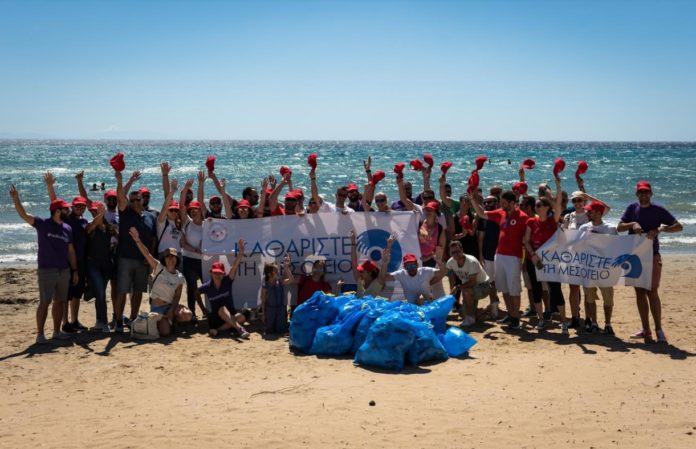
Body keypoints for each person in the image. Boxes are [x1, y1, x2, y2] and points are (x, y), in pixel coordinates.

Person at [9, 186, 78, 344]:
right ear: (57, 211)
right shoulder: (42, 223)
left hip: (64, 270)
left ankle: (56, 332)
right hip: (47, 270)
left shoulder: (67, 228)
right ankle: (40, 334)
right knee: (44, 302)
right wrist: (15, 198)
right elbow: (24, 215)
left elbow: (71, 251)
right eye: (65, 209)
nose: (68, 211)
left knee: (59, 301)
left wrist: (74, 270)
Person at [617, 181, 682, 343]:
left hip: (652, 255)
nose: (643, 195)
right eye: (641, 192)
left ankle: (659, 329)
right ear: (637, 194)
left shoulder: (658, 209)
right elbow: (619, 227)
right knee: (639, 293)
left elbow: (678, 226)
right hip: (634, 257)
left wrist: (661, 229)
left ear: (651, 194)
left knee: (652, 292)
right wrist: (633, 224)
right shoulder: (632, 208)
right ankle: (646, 329)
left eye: (646, 192)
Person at [471, 190, 529, 329]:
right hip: (499, 255)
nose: (501, 205)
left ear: (512, 203)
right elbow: (481, 213)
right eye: (501, 202)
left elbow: (528, 239)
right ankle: (510, 314)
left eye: (504, 203)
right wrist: (473, 199)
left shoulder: (523, 217)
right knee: (504, 288)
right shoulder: (500, 213)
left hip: (514, 257)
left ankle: (516, 318)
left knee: (514, 289)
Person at [113, 169, 157, 332]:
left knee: (138, 292)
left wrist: (150, 257)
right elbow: (120, 196)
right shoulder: (126, 213)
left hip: (142, 261)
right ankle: (118, 321)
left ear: (143, 199)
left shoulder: (150, 217)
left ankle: (132, 320)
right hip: (125, 258)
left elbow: (153, 239)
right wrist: (122, 180)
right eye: (132, 200)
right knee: (122, 291)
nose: (135, 202)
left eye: (138, 199)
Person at [522, 176, 567, 332]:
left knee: (555, 289)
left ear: (547, 207)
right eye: (536, 205)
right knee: (536, 290)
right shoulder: (530, 222)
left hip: (551, 260)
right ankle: (541, 319)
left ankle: (564, 321)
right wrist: (532, 254)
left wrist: (558, 187)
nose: (537, 207)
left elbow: (558, 205)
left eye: (539, 205)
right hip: (534, 260)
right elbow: (526, 241)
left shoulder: (552, 221)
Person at [129, 228, 191, 337]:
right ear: (164, 259)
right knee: (165, 332)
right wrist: (137, 240)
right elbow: (147, 254)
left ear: (177, 259)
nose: (170, 259)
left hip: (170, 306)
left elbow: (177, 297)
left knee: (187, 315)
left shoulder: (180, 277)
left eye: (173, 257)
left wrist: (171, 310)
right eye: (168, 257)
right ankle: (169, 323)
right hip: (157, 308)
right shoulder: (158, 267)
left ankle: (172, 320)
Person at [195, 241, 250, 339]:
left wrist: (240, 253)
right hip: (216, 318)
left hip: (231, 315)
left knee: (245, 313)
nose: (217, 275)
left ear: (223, 274)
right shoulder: (207, 286)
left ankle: (220, 330)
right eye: (215, 273)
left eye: (220, 273)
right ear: (211, 273)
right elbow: (196, 293)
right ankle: (239, 328)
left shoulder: (227, 281)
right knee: (222, 309)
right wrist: (203, 309)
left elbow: (234, 267)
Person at [578, 201, 618, 335]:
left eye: (590, 211)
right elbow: (577, 246)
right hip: (588, 269)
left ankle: (608, 324)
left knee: (608, 299)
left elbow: (617, 247)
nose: (587, 213)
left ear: (599, 213)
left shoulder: (610, 229)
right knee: (590, 297)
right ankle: (594, 323)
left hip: (605, 270)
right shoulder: (583, 228)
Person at [179, 179, 208, 320]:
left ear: (201, 211)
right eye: (192, 210)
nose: (194, 211)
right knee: (191, 287)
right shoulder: (187, 223)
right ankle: (193, 314)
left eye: (197, 209)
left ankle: (209, 311)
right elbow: (181, 207)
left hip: (204, 261)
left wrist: (201, 184)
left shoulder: (208, 224)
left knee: (207, 287)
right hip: (189, 259)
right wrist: (185, 188)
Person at [85, 201, 115, 333]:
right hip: (93, 265)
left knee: (100, 294)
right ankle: (104, 323)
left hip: (106, 265)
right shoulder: (90, 225)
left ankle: (99, 321)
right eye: (92, 211)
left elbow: (118, 237)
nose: (93, 213)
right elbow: (91, 228)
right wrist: (101, 215)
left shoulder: (108, 227)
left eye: (95, 211)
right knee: (101, 293)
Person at [447, 240, 491, 327]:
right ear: (450, 253)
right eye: (453, 252)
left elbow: (472, 282)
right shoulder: (450, 262)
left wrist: (457, 287)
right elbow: (451, 277)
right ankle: (485, 310)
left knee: (466, 291)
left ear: (462, 250)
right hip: (470, 288)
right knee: (463, 314)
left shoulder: (471, 261)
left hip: (483, 286)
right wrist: (452, 290)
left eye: (458, 251)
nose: (455, 254)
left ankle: (470, 318)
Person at [349, 231, 394, 298]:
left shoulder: (378, 282)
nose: (360, 273)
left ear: (369, 273)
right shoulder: (360, 281)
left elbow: (384, 266)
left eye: (362, 271)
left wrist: (389, 246)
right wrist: (353, 242)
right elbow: (354, 264)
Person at [477, 195, 501, 318]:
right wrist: (481, 254)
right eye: (485, 202)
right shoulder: (483, 218)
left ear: (497, 203)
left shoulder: (502, 215)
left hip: (502, 254)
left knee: (502, 282)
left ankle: (498, 305)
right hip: (488, 254)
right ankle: (494, 307)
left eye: (489, 202)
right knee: (491, 282)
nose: (486, 204)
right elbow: (481, 238)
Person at [261, 255, 293, 335]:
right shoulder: (265, 285)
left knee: (280, 330)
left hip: (281, 310)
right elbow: (263, 301)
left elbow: (291, 279)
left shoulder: (280, 282)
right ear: (269, 274)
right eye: (276, 271)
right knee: (269, 330)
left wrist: (286, 268)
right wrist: (263, 314)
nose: (278, 272)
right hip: (270, 310)